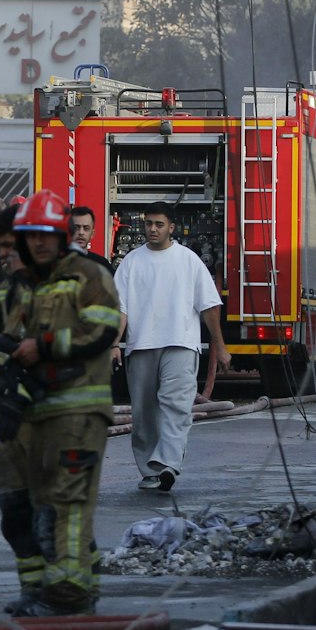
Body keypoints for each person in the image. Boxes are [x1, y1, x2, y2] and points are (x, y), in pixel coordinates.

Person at [0, 189, 122, 614]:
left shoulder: (88, 274)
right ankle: (61, 589)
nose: (38, 243)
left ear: (63, 234)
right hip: (40, 412)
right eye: (30, 236)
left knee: (68, 504)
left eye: (46, 234)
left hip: (80, 410)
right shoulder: (23, 286)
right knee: (42, 508)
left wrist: (43, 346)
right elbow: (9, 342)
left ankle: (69, 597)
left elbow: (102, 332)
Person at [113, 203, 229, 493]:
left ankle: (167, 464)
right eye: (149, 223)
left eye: (159, 224)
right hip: (141, 346)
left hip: (181, 343)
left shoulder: (188, 260)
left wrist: (221, 347)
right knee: (144, 414)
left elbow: (209, 306)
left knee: (176, 407)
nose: (152, 229)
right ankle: (150, 471)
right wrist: (114, 342)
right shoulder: (131, 262)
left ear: (171, 228)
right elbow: (120, 309)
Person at [66, 204, 114, 271]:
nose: (81, 232)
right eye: (76, 228)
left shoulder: (102, 265)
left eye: (86, 228)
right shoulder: (55, 263)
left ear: (92, 233)